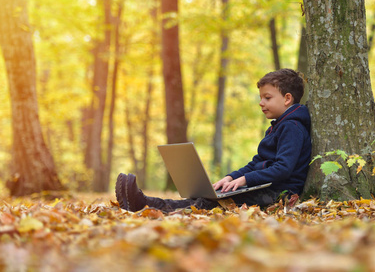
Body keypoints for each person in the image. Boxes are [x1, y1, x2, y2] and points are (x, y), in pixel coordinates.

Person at [115, 68, 312, 213]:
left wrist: (245, 180)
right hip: (267, 188)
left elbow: (283, 168)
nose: (261, 103)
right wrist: (231, 177)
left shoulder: (291, 127)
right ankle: (147, 203)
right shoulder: (279, 126)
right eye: (261, 97)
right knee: (209, 197)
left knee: (212, 203)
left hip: (279, 194)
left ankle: (146, 205)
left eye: (267, 98)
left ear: (287, 99)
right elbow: (256, 163)